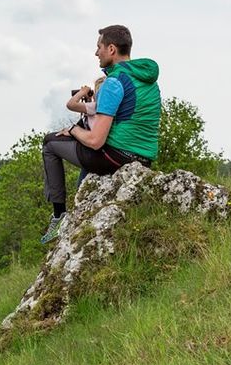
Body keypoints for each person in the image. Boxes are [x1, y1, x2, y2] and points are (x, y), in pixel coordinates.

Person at [40, 25, 161, 244]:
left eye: (99, 47)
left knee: (50, 142)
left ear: (111, 49)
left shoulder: (114, 82)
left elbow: (96, 141)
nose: (96, 53)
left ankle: (59, 213)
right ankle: (81, 209)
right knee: (86, 157)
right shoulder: (147, 80)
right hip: (144, 159)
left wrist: (73, 129)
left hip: (116, 157)